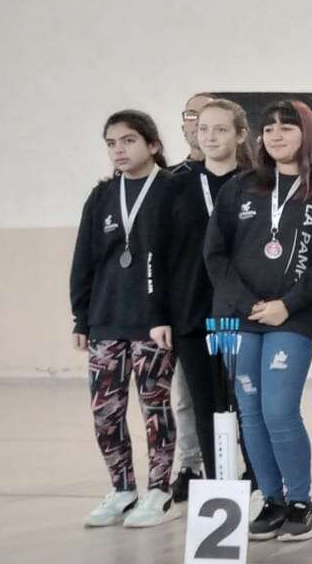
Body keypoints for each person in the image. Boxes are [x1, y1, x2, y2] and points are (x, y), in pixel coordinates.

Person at [203, 100, 312, 543]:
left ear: (306, 134)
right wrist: (247, 303)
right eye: (268, 129)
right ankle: (272, 499)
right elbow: (215, 254)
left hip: (293, 318)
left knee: (279, 409)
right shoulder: (240, 187)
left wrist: (288, 304)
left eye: (287, 127)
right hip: (241, 317)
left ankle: (301, 502)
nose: (276, 135)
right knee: (250, 411)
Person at [70, 110, 177, 529]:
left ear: (153, 144)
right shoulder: (101, 196)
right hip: (106, 319)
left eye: (128, 140)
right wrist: (82, 318)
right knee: (106, 412)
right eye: (111, 143)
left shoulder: (172, 189)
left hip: (153, 322)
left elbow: (178, 259)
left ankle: (159, 491)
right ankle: (122, 488)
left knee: (155, 408)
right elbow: (84, 259)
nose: (119, 150)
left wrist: (169, 313)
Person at [157, 98, 252, 483]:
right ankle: (217, 485)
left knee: (247, 405)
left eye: (221, 129)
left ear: (241, 135)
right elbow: (157, 254)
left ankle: (260, 483)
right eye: (203, 129)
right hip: (192, 314)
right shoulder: (174, 185)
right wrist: (159, 314)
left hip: (244, 315)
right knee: (205, 405)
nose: (210, 137)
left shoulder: (257, 184)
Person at [166, 91, 217, 500]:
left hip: (235, 306)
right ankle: (190, 464)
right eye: (192, 115)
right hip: (187, 305)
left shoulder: (245, 179)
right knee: (188, 395)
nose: (199, 123)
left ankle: (241, 467)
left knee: (238, 395)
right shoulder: (170, 181)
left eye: (209, 116)